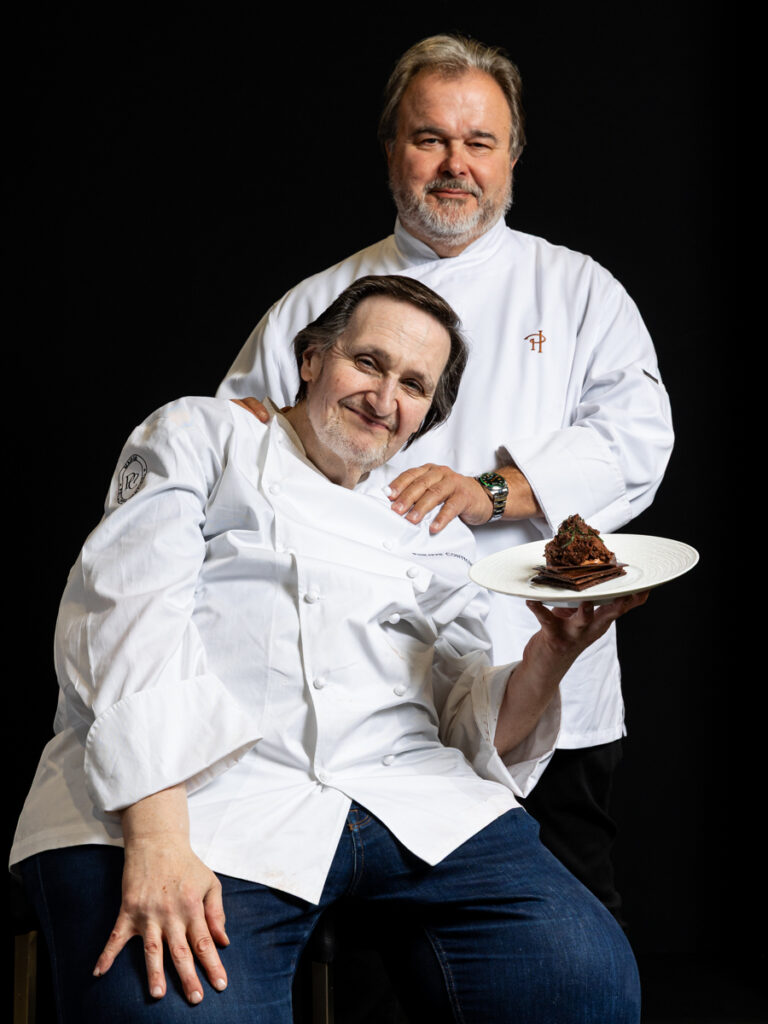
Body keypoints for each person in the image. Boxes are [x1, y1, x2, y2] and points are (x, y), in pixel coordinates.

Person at [12, 275, 645, 1023]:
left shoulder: (425, 523)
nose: (384, 398)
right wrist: (156, 837)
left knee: (584, 980)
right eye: (368, 362)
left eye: (414, 385)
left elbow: (471, 729)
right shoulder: (205, 435)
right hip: (205, 803)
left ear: (426, 415)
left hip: (407, 801)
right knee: (177, 1011)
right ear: (312, 359)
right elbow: (123, 617)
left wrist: (554, 651)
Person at [217, 33, 674, 917]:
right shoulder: (314, 305)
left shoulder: (578, 290)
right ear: (393, 148)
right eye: (429, 138)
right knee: (383, 951)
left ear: (512, 157)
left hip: (547, 671)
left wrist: (489, 492)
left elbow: (636, 439)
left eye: (479, 142)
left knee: (566, 936)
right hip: (367, 701)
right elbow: (235, 464)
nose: (454, 165)